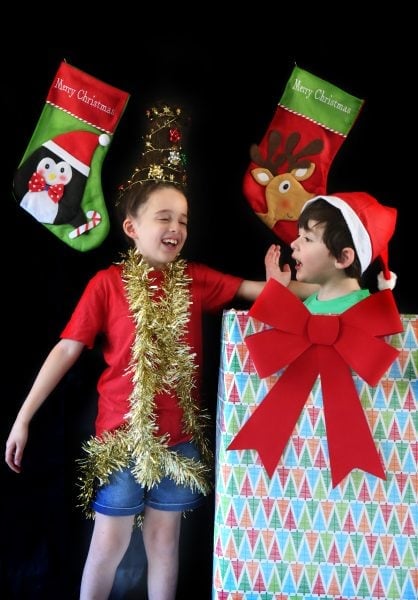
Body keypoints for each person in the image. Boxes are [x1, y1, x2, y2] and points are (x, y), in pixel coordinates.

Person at [5, 103, 313, 600]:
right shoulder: (106, 285)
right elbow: (65, 351)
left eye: (184, 220)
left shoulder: (197, 280)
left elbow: (267, 294)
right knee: (108, 543)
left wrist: (310, 286)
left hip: (180, 444)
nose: (176, 228)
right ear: (132, 227)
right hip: (122, 444)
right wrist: (23, 418)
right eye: (164, 217)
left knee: (164, 542)